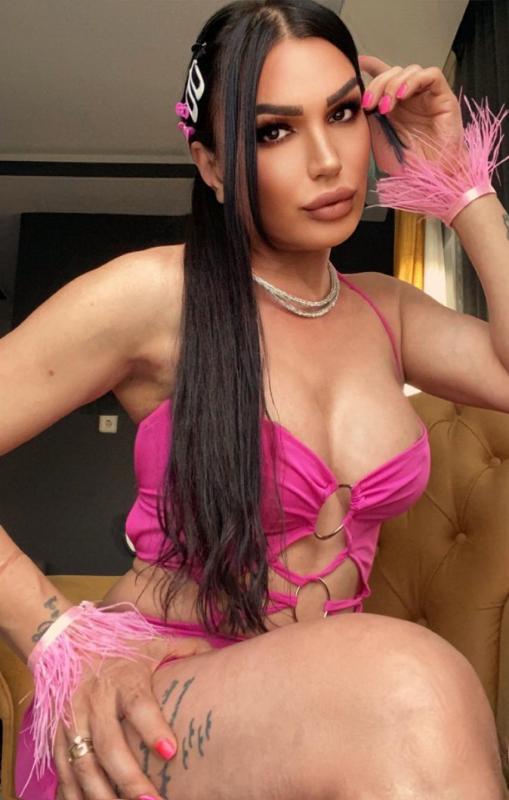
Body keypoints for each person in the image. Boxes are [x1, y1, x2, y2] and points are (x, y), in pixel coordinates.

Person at [2, 0, 508, 798]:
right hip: (147, 701)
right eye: (274, 131)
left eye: (341, 114)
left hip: (316, 703)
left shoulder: (389, 313)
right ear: (209, 164)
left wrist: (460, 183)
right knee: (413, 684)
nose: (327, 161)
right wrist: (57, 632)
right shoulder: (154, 294)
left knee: (408, 692)